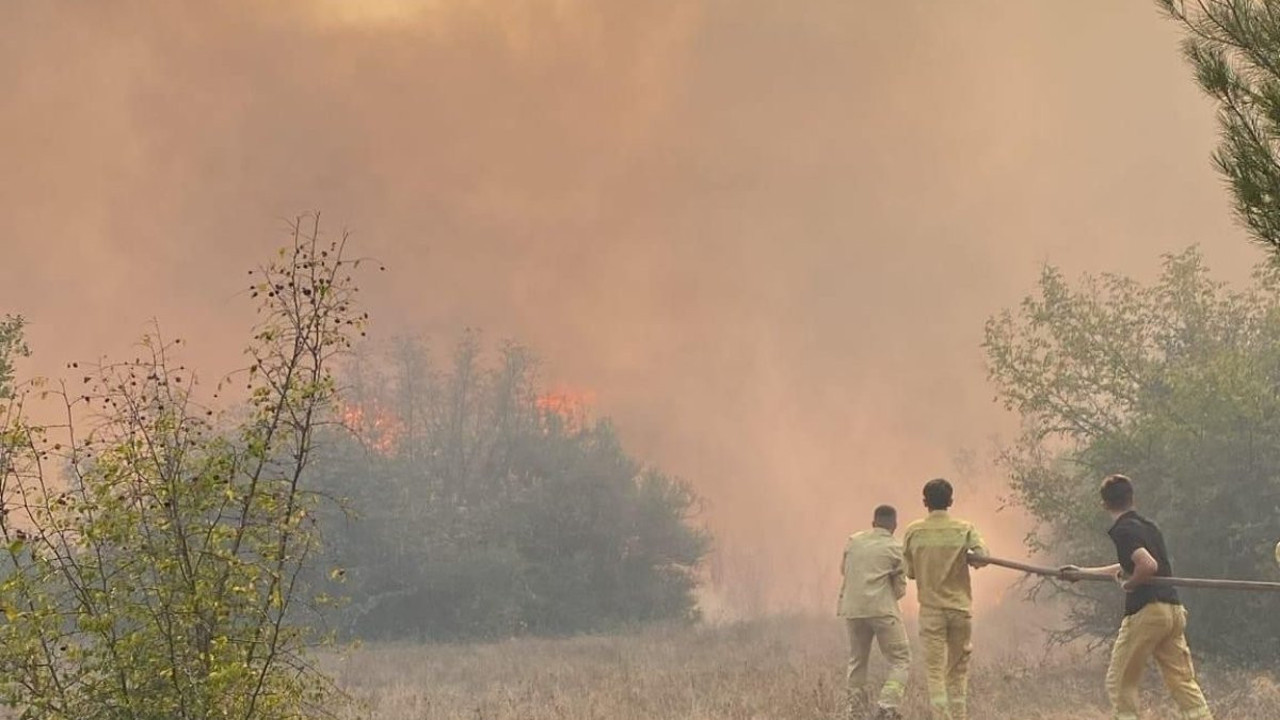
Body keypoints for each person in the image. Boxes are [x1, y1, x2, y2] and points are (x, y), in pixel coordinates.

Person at [1058, 474, 1214, 720]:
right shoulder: (1148, 526)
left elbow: (1146, 566)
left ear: (1104, 504)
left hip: (1147, 612)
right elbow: (1129, 566)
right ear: (1132, 499)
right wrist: (1082, 573)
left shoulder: (1122, 530)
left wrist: (1130, 585)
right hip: (1171, 612)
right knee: (1182, 682)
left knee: (1120, 683)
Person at [902, 478, 987, 720]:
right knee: (958, 671)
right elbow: (982, 558)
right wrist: (968, 556)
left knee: (934, 672)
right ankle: (958, 717)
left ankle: (942, 717)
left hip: (931, 613)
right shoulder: (965, 528)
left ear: (924, 502)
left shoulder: (913, 532)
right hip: (960, 610)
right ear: (951, 501)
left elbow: (910, 573)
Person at [837, 505, 910, 720]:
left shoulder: (853, 541)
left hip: (852, 609)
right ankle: (887, 706)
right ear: (894, 526)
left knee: (857, 660)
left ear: (872, 523)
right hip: (882, 610)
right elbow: (900, 589)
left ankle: (854, 710)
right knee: (901, 659)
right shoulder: (896, 547)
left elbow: (844, 570)